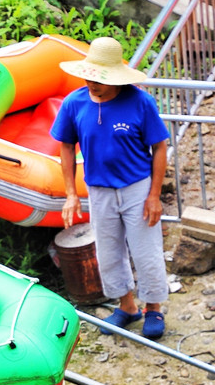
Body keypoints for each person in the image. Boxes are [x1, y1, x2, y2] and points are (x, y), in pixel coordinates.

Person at [50, 37, 170, 340]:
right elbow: (66, 146)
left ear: (116, 78)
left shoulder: (140, 102)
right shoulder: (74, 103)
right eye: (89, 76)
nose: (92, 83)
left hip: (137, 187)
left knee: (146, 251)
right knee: (107, 252)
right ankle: (127, 306)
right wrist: (71, 194)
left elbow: (159, 147)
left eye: (99, 79)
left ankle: (153, 308)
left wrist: (154, 195)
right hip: (99, 190)